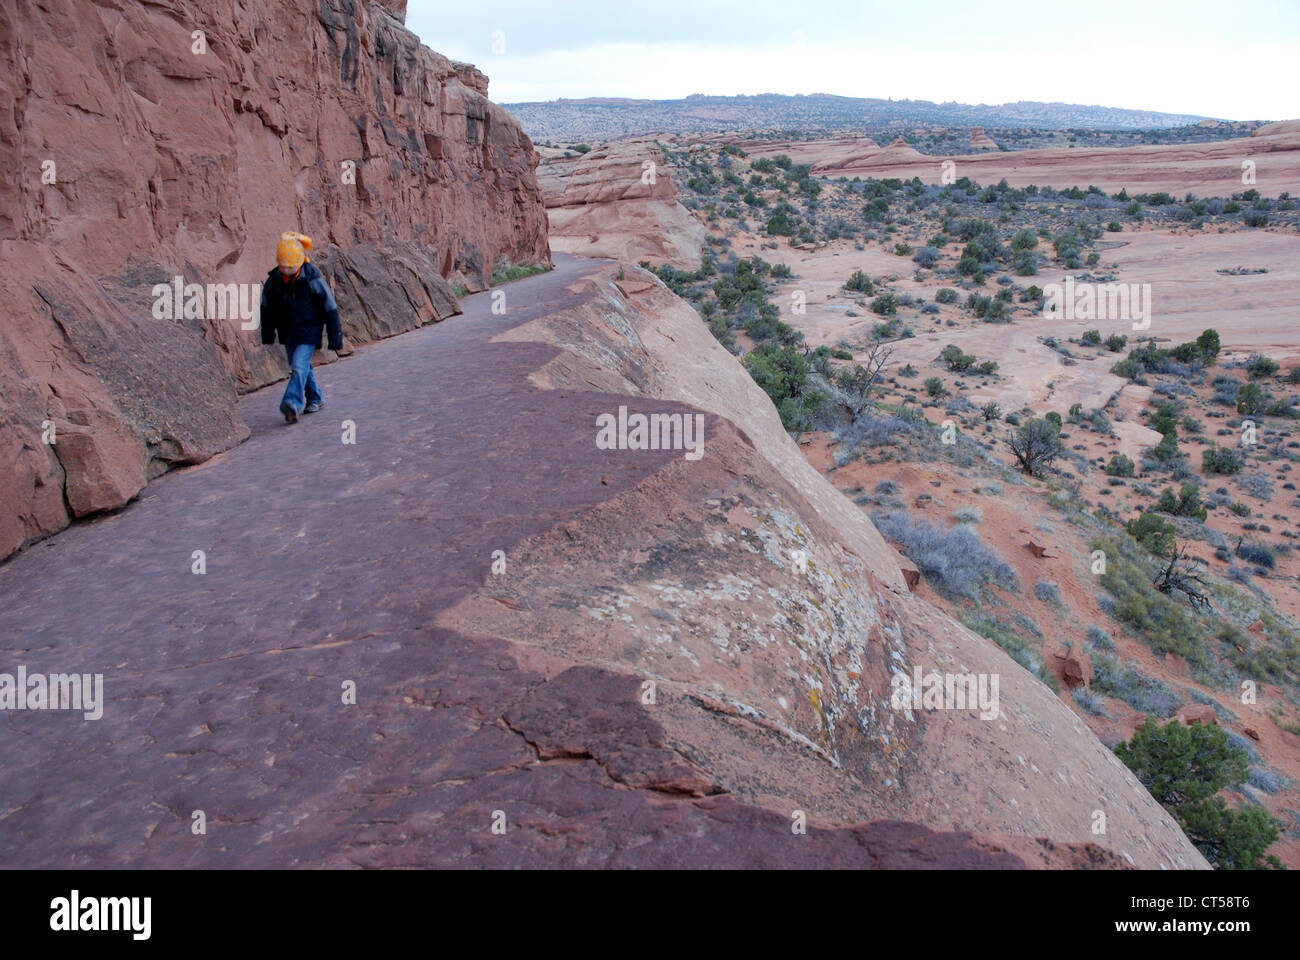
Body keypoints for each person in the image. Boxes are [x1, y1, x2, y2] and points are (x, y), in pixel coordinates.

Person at [259, 232, 344, 423]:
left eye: (290, 266)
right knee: (302, 367)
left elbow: (330, 309)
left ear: (299, 262)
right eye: (282, 266)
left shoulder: (313, 280)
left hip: (309, 332)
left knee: (298, 366)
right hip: (288, 332)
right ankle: (315, 398)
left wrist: (334, 338)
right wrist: (268, 333)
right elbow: (266, 308)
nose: (286, 270)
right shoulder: (274, 282)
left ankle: (291, 403)